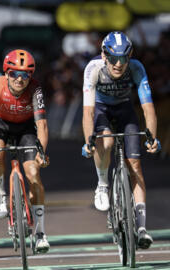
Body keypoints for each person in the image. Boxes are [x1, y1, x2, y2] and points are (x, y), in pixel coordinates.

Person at [81, 31, 161, 249]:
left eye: (123, 58)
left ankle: (142, 228)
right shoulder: (93, 68)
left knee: (135, 165)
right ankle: (102, 184)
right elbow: (87, 112)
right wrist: (89, 141)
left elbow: (148, 108)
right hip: (101, 110)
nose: (118, 64)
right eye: (113, 58)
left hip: (125, 110)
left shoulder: (136, 68)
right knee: (105, 142)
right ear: (104, 55)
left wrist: (152, 136)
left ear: (130, 56)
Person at [0, 49, 50, 253]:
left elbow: (41, 125)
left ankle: (41, 233)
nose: (20, 79)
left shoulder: (35, 89)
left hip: (25, 128)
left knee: (34, 174)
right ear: (7, 73)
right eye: (15, 73)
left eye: (25, 74)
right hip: (0, 124)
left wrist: (41, 152)